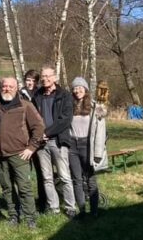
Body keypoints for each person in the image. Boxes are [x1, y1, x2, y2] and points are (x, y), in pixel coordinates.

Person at [0, 77, 46, 228]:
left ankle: (30, 217)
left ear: (16, 88)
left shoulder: (25, 106)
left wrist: (31, 147)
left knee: (24, 187)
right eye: (5, 86)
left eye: (10, 86)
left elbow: (39, 126)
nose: (7, 89)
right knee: (7, 188)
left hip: (19, 154)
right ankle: (14, 215)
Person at [31, 66, 77, 217]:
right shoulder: (37, 95)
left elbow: (65, 120)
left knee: (64, 176)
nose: (45, 79)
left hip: (58, 141)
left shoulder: (64, 95)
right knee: (47, 178)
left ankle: (71, 207)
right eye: (43, 76)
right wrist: (38, 135)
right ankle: (54, 208)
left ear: (55, 78)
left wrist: (47, 133)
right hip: (41, 143)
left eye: (48, 76)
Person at [68, 77, 108, 216]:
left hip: (87, 146)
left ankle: (94, 211)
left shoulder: (95, 107)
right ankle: (82, 210)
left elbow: (101, 132)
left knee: (90, 178)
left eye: (80, 87)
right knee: (77, 179)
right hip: (72, 146)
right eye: (75, 88)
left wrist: (98, 153)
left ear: (85, 89)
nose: (77, 90)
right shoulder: (69, 106)